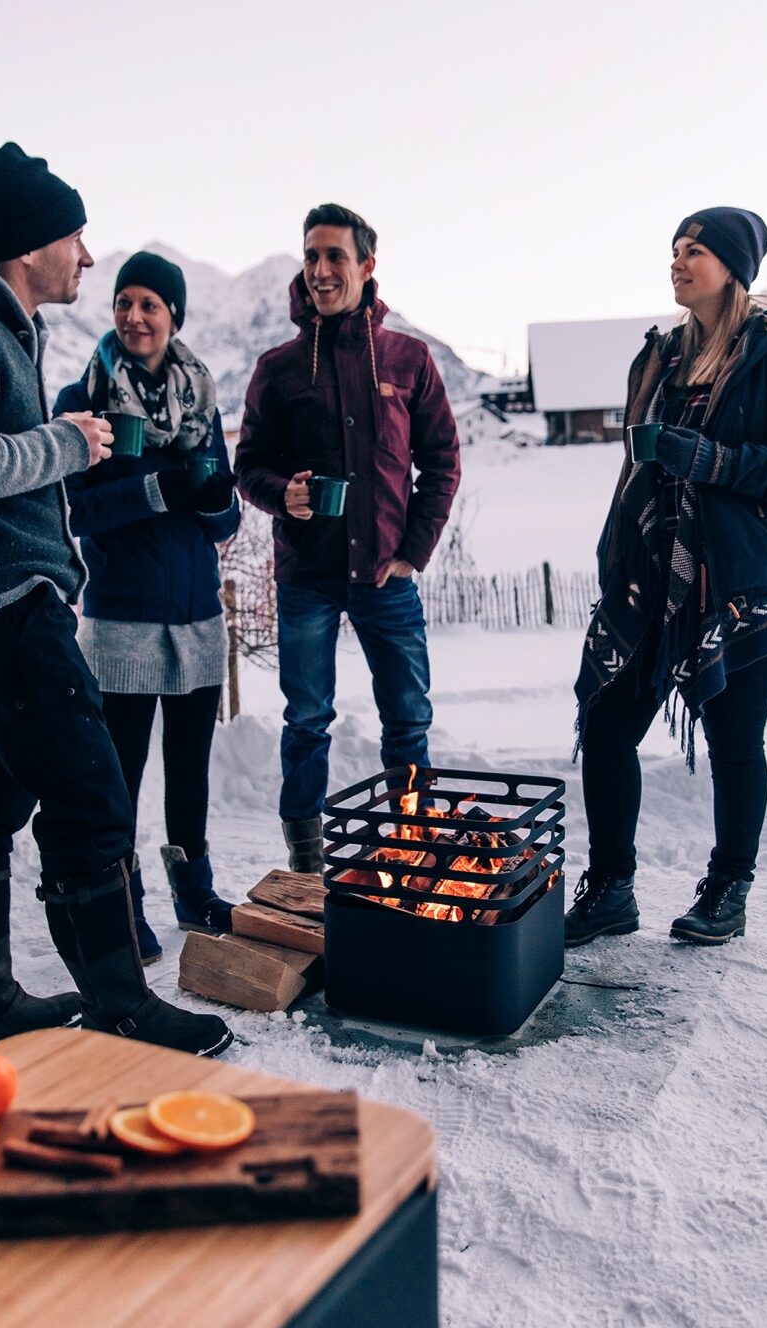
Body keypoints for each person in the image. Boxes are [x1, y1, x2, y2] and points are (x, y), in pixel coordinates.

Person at [0, 143, 232, 1060]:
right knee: (92, 793)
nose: (88, 259)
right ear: (30, 246)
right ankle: (122, 1004)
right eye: (75, 237)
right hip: (2, 597)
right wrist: (66, 444)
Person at [565, 206, 767, 949]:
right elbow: (635, 465)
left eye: (695, 251)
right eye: (674, 250)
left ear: (733, 267)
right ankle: (611, 889)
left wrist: (716, 464)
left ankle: (728, 889)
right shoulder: (658, 357)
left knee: (733, 738)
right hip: (651, 578)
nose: (678, 262)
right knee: (605, 723)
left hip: (742, 583)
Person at [236, 203, 461, 872]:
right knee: (306, 720)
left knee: (408, 720)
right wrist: (284, 495)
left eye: (335, 256)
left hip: (386, 577)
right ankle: (306, 862)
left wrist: (412, 551)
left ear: (367, 266)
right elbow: (248, 465)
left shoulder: (408, 358)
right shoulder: (277, 368)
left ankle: (413, 844)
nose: (321, 270)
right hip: (306, 575)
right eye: (311, 257)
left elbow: (443, 461)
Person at [55, 252, 240, 965]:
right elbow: (74, 510)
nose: (134, 316)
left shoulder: (203, 400)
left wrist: (217, 502)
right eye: (124, 301)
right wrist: (158, 492)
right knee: (120, 776)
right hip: (123, 619)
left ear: (173, 318)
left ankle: (194, 892)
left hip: (195, 615)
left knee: (189, 769)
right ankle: (121, 904)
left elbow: (222, 522)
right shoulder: (84, 396)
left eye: (150, 305)